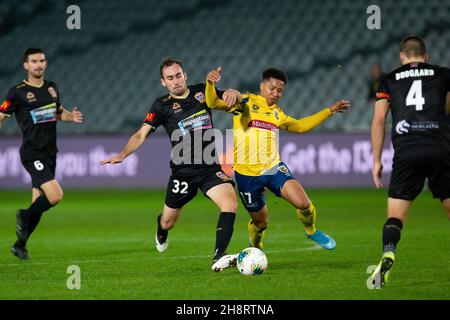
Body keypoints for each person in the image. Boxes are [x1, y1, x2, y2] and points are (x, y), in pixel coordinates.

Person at [100, 59, 239, 272]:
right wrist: (123, 154)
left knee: (229, 203)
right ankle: (161, 227)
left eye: (178, 76)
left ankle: (218, 257)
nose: (175, 81)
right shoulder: (161, 105)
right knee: (168, 222)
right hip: (182, 172)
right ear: (163, 82)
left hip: (210, 168)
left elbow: (230, 96)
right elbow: (141, 134)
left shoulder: (201, 92)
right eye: (170, 78)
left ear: (185, 76)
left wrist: (232, 92)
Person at [205, 67, 350, 251]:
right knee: (261, 223)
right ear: (262, 86)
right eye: (272, 89)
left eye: (280, 91)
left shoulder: (277, 113)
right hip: (246, 175)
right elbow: (212, 102)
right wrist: (211, 84)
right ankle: (256, 243)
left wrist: (329, 110)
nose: (275, 94)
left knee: (303, 203)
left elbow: (300, 126)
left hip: (272, 168)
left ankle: (311, 230)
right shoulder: (247, 102)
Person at [369, 35, 450, 289]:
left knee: (395, 217)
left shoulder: (389, 79)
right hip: (440, 148)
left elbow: (379, 120)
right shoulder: (444, 74)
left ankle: (389, 251)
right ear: (426, 56)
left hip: (406, 151)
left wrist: (376, 161)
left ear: (402, 58)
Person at [0, 48, 84, 260]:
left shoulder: (51, 88)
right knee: (55, 196)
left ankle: (20, 245)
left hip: (49, 152)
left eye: (42, 61)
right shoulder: (17, 92)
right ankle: (23, 215)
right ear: (26, 65)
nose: (38, 64)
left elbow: (57, 113)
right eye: (34, 61)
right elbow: (1, 114)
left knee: (38, 202)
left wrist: (70, 117)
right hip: (32, 152)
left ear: (46, 64)